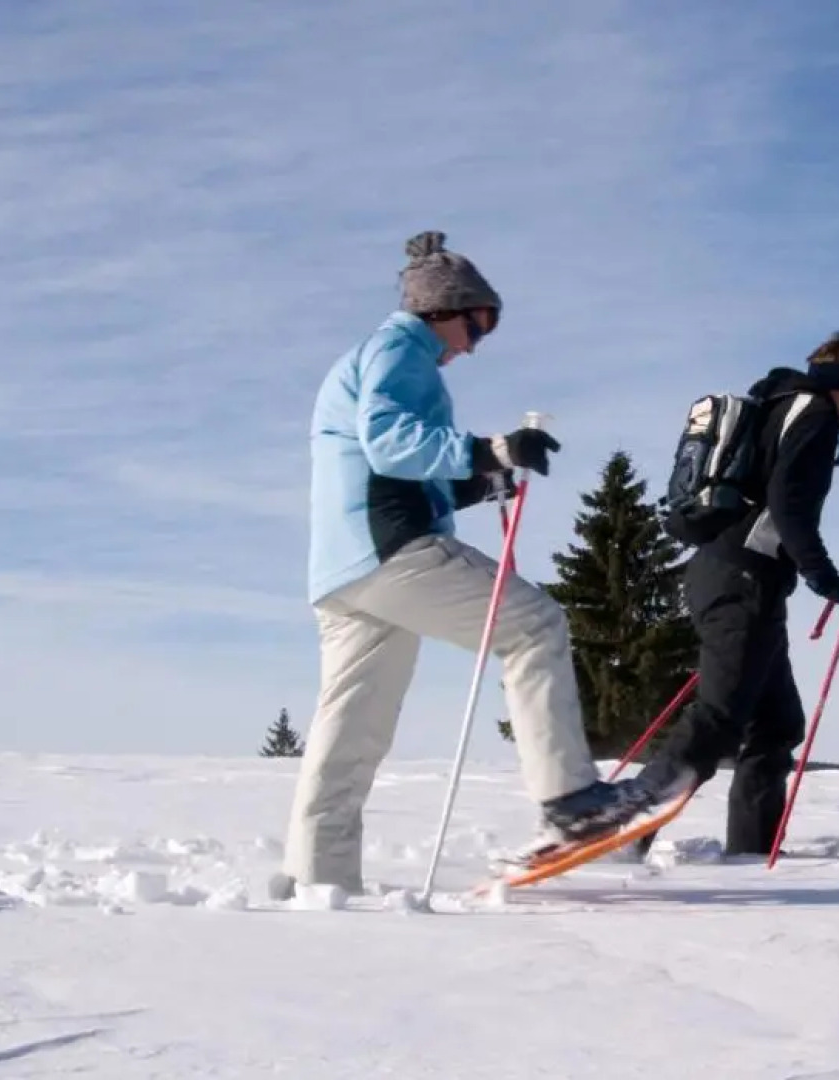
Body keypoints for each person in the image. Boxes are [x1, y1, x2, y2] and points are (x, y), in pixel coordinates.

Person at [273, 230, 653, 899]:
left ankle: (317, 880)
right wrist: (490, 448)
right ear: (445, 310)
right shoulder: (402, 348)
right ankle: (572, 800)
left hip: (344, 570)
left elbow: (390, 464)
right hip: (391, 551)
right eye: (478, 325)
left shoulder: (370, 358)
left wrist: (484, 480)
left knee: (351, 730)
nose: (474, 345)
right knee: (534, 625)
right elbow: (391, 445)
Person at [632, 330, 839, 856]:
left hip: (735, 575)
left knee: (777, 722)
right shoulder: (814, 416)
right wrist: (829, 581)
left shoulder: (781, 405)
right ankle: (621, 827)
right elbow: (788, 508)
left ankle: (751, 848)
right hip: (742, 579)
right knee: (719, 719)